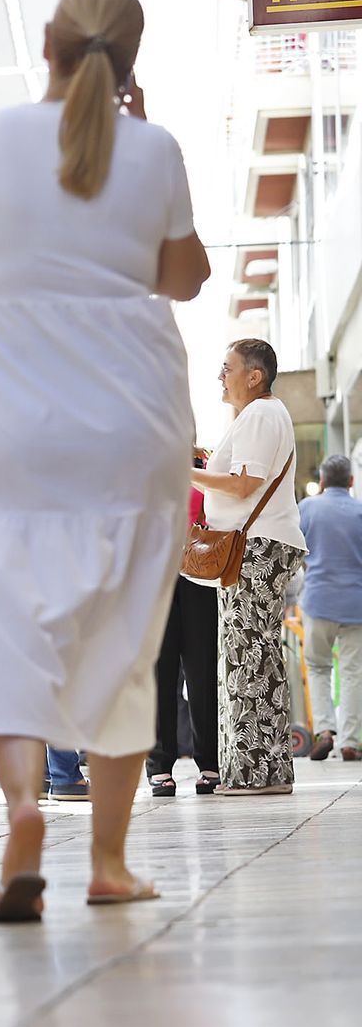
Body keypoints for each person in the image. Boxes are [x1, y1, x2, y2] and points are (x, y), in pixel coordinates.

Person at [0, 0, 210, 921]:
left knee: (3, 622)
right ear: (130, 56)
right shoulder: (153, 150)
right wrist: (139, 148)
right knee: (121, 642)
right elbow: (182, 277)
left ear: (49, 44)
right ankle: (108, 861)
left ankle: (25, 809)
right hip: (131, 420)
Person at [190, 339, 305, 795]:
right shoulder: (265, 413)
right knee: (259, 657)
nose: (221, 376)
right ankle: (269, 772)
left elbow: (243, 486)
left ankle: (254, 773)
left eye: (227, 368)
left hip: (255, 548)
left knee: (247, 660)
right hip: (262, 546)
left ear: (253, 375)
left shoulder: (259, 413)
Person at [150, 486, 219, 795]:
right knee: (159, 673)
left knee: (203, 671)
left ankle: (210, 762)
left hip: (199, 574)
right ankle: (160, 767)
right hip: (154, 577)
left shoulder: (207, 468)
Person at [299, 454, 362, 762]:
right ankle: (351, 741)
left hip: (318, 601)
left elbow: (295, 549)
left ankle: (325, 731)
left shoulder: (308, 508)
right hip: (356, 604)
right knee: (354, 672)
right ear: (351, 482)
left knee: (319, 666)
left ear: (321, 482)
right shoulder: (360, 511)